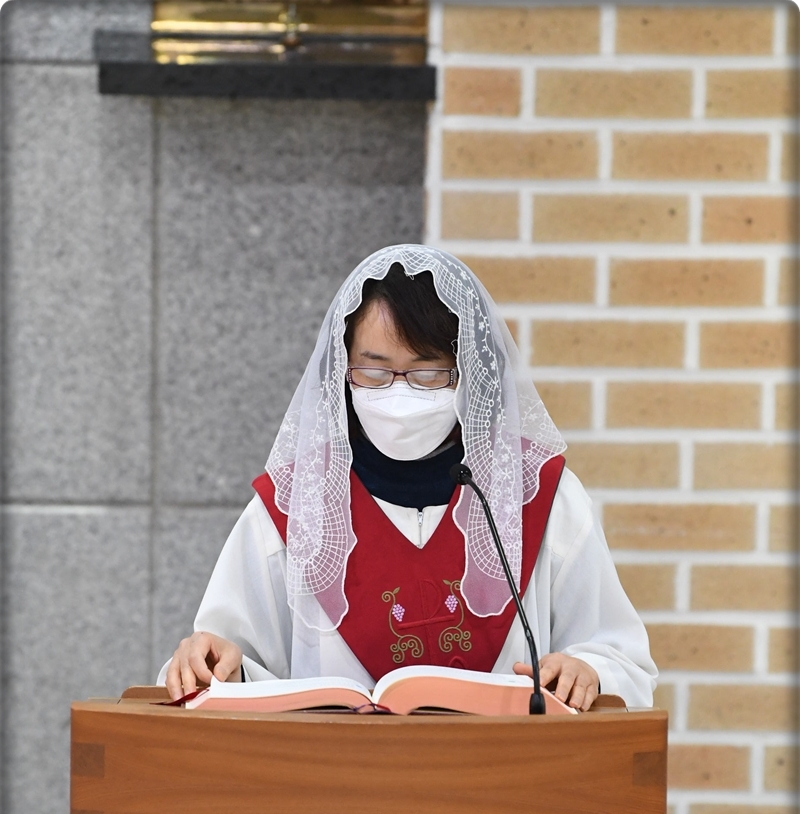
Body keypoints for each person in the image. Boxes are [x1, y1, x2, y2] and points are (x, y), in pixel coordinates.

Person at [161, 244, 656, 710]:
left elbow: (624, 663)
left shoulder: (537, 497)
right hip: (333, 772)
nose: (398, 396)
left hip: (505, 770)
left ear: (471, 374)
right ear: (340, 372)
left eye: (428, 374)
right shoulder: (296, 506)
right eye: (374, 373)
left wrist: (588, 671)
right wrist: (218, 665)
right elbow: (223, 667)